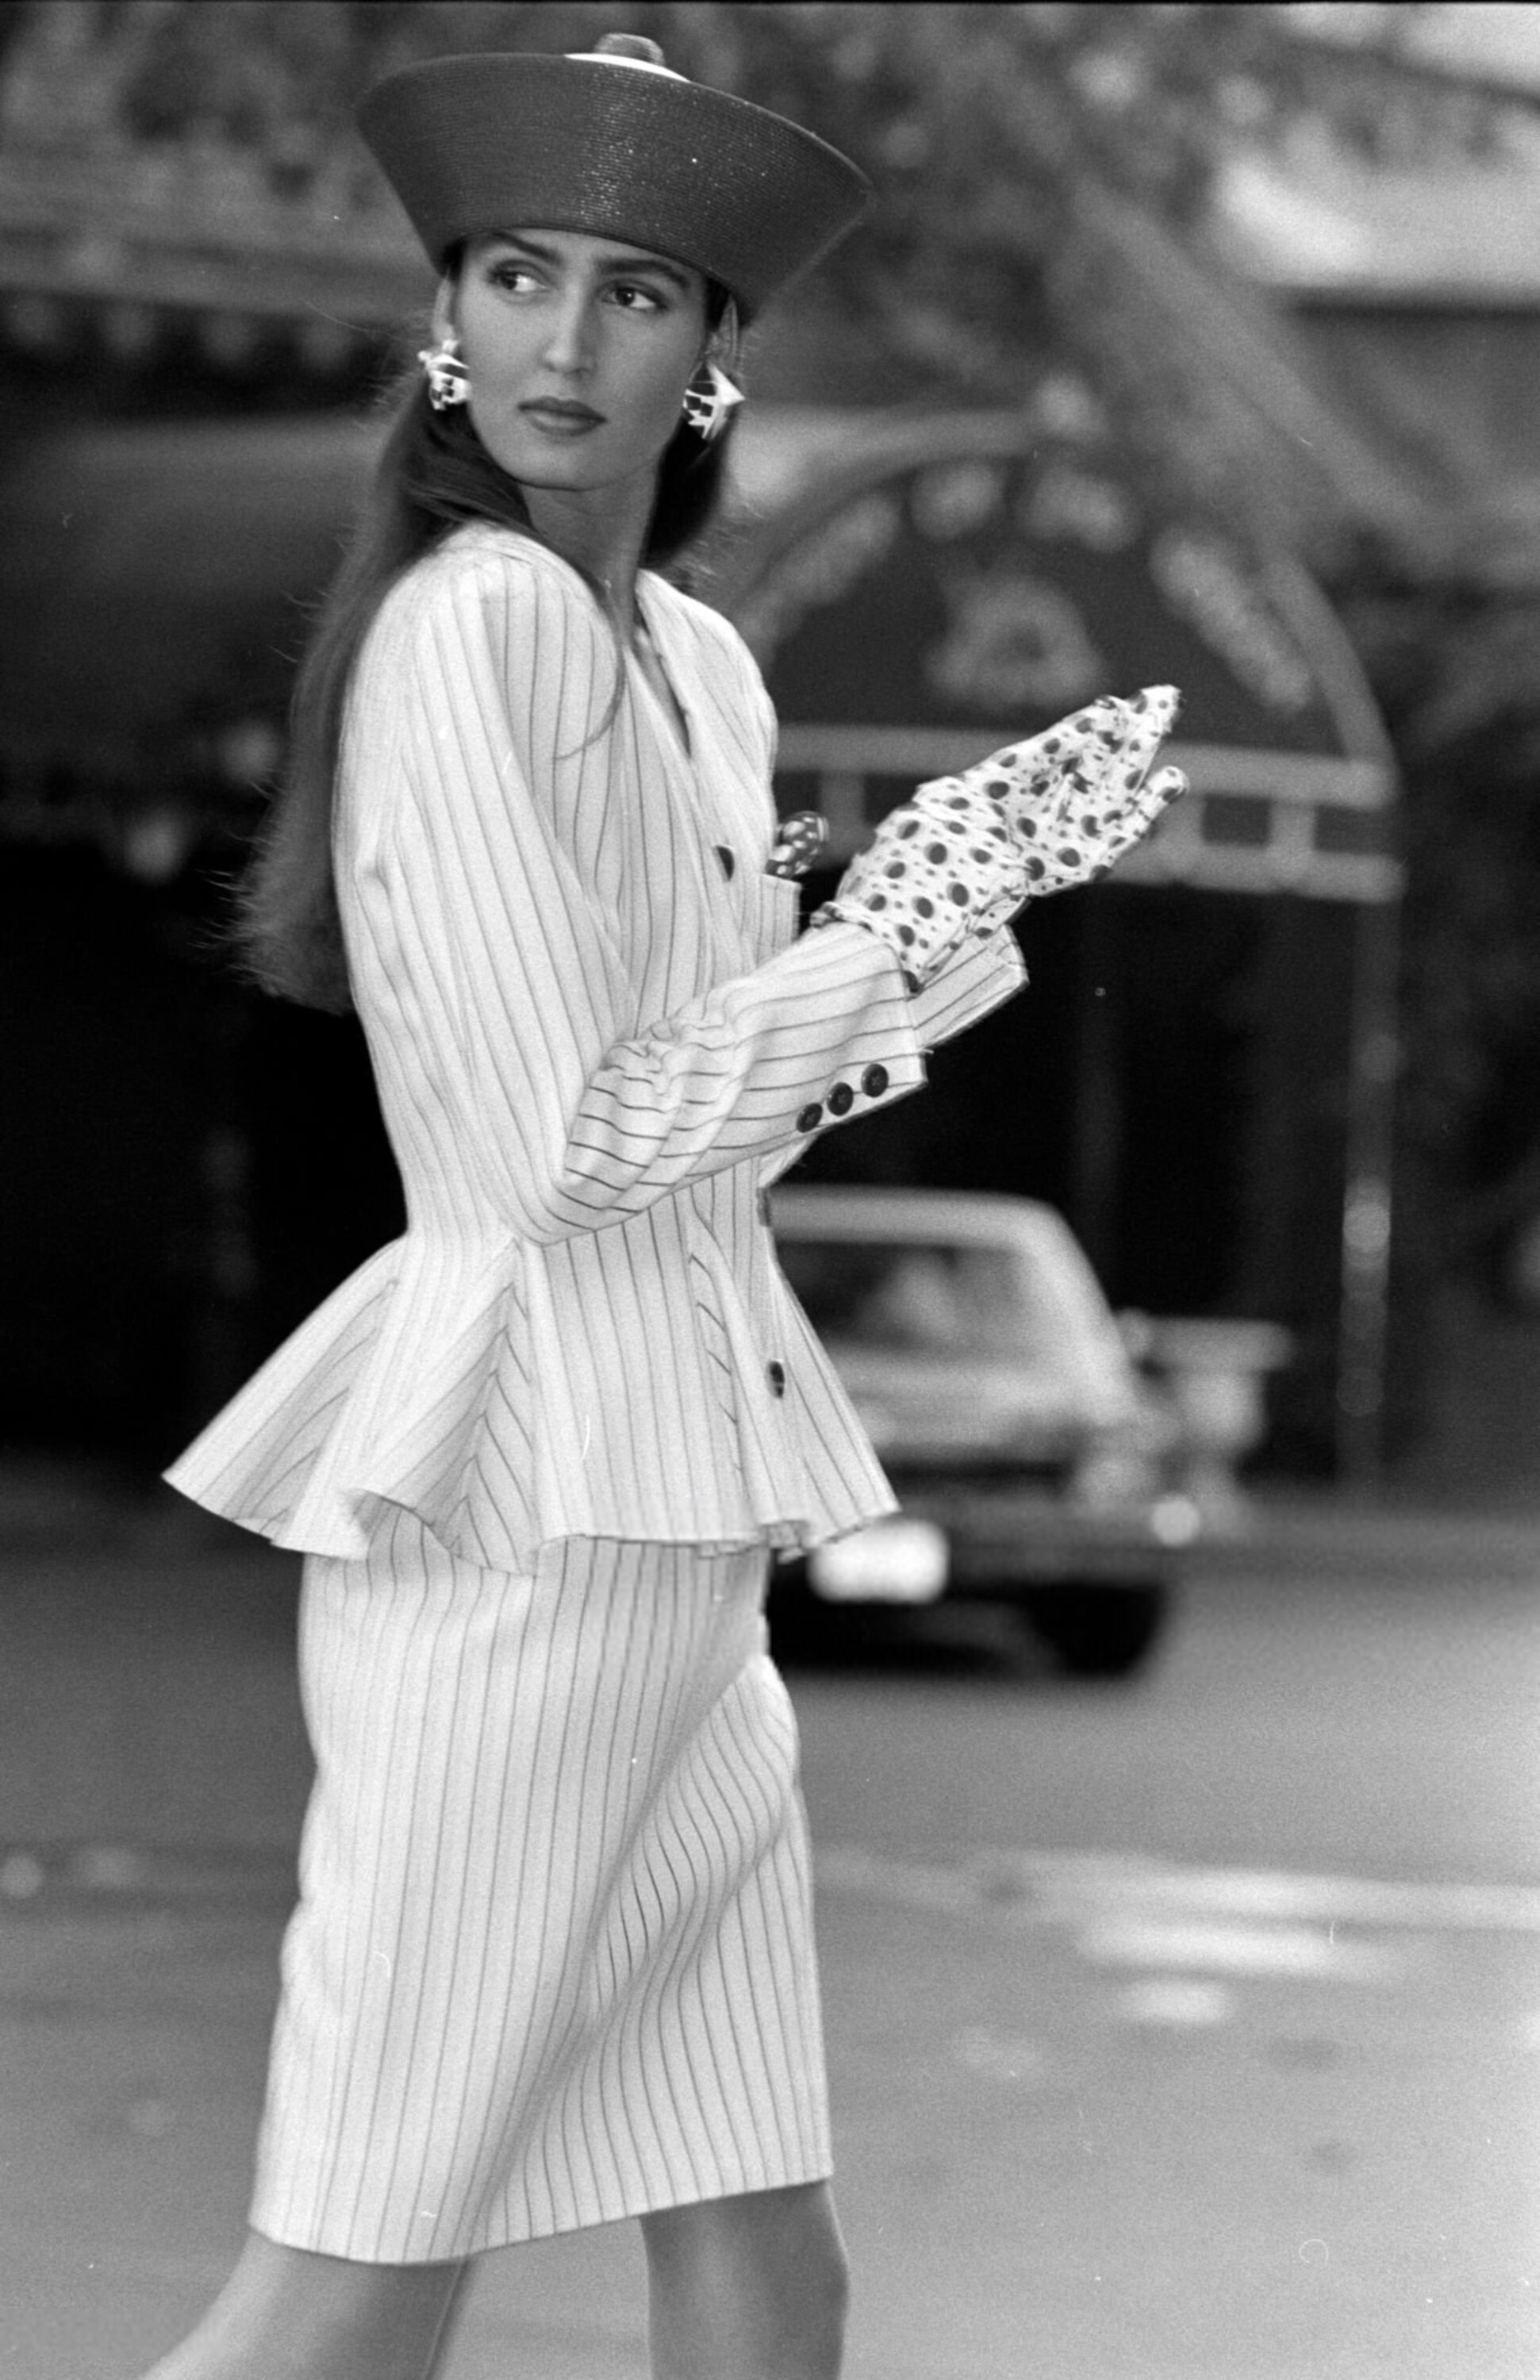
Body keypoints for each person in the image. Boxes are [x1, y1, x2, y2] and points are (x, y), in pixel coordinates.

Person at [151, 33, 1183, 2380]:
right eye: (516, 275)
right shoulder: (475, 628)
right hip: (527, 1529)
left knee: (769, 2259)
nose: (563, 339)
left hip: (682, 1525)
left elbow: (717, 1122)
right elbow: (571, 1145)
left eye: (633, 292)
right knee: (350, 2290)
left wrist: (907, 928)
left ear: (716, 345)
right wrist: (913, 908)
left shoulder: (698, 665)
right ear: (446, 313)